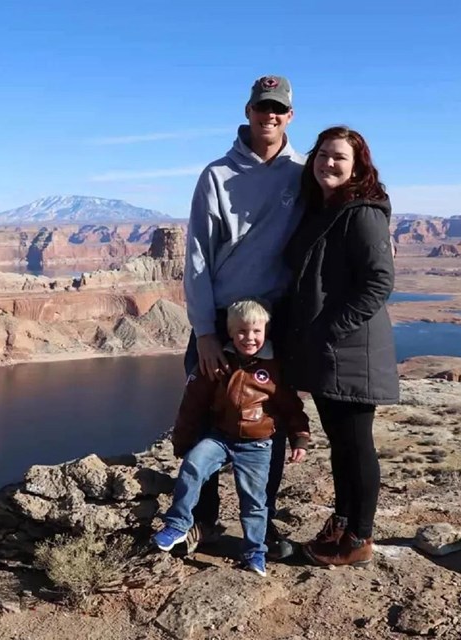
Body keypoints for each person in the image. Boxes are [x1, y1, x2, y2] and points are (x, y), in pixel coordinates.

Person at [182, 75, 306, 558]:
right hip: (221, 318)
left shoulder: (302, 171)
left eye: (278, 109)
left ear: (289, 115)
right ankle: (201, 521)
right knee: (205, 416)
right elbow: (196, 258)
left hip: (274, 321)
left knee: (267, 419)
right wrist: (206, 332)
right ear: (249, 110)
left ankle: (263, 523)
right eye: (262, 107)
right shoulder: (216, 175)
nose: (269, 116)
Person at [283, 126, 399, 566]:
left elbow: (378, 282)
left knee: (356, 443)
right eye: (323, 155)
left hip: (350, 350)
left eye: (340, 158)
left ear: (357, 167)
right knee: (341, 444)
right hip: (328, 351)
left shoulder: (361, 211)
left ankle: (360, 538)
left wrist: (331, 329)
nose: (328, 164)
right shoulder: (325, 208)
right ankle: (343, 520)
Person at [152, 299, 310, 576]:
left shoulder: (274, 367)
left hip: (258, 445)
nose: (249, 338)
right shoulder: (217, 361)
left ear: (266, 331)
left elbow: (291, 407)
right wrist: (183, 439)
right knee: (192, 466)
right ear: (229, 331)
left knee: (254, 502)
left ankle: (254, 552)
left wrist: (300, 437)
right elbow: (192, 403)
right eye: (241, 332)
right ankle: (177, 525)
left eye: (256, 332)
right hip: (220, 437)